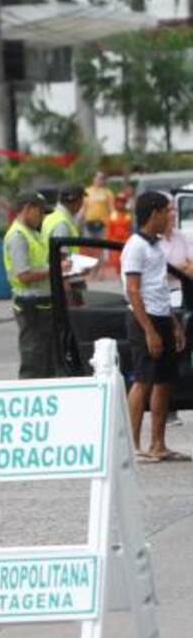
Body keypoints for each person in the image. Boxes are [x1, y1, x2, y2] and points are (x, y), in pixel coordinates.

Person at [121, 190, 189, 462]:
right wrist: (149, 330)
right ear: (153, 213)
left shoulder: (156, 246)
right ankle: (132, 446)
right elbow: (133, 291)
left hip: (161, 315)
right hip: (143, 319)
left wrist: (173, 324)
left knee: (164, 381)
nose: (170, 215)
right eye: (166, 211)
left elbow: (159, 288)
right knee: (143, 380)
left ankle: (157, 444)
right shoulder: (135, 246)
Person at [4, 190, 68, 379]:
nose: (42, 217)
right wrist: (55, 268)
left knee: (47, 357)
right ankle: (30, 394)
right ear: (27, 209)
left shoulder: (32, 233)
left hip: (40, 301)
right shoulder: (18, 236)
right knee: (34, 357)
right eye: (40, 212)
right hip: (30, 303)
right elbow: (24, 275)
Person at [159, 193, 192, 427]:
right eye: (168, 209)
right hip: (163, 302)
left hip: (185, 300)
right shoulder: (151, 242)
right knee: (168, 354)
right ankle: (168, 408)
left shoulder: (183, 237)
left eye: (174, 209)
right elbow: (156, 273)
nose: (173, 213)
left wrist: (177, 269)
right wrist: (181, 269)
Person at [42, 184, 88, 306]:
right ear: (76, 201)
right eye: (82, 200)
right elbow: (61, 259)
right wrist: (67, 294)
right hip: (69, 282)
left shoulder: (52, 217)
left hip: (59, 280)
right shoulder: (62, 224)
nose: (82, 205)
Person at [84, 171, 113, 239]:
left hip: (103, 224)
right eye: (99, 178)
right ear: (93, 179)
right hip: (89, 223)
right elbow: (83, 208)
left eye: (103, 178)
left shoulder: (108, 192)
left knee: (102, 245)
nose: (101, 180)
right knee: (89, 245)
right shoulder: (87, 191)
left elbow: (112, 208)